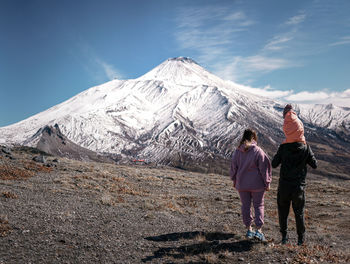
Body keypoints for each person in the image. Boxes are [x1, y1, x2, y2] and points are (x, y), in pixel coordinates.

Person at [272, 104, 317, 246]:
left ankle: (284, 238)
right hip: (299, 187)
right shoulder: (305, 148)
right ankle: (300, 239)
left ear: (286, 129)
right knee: (299, 213)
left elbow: (274, 164)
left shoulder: (283, 147)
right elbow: (314, 164)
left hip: (284, 186)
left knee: (283, 212)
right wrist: (307, 151)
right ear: (300, 128)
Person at [230, 128, 272, 241]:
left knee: (245, 206)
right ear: (253, 138)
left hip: (242, 184)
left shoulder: (237, 151)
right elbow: (264, 169)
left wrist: (235, 180)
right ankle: (259, 230)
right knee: (258, 206)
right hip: (257, 185)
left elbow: (233, 168)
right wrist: (267, 183)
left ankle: (249, 229)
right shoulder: (258, 151)